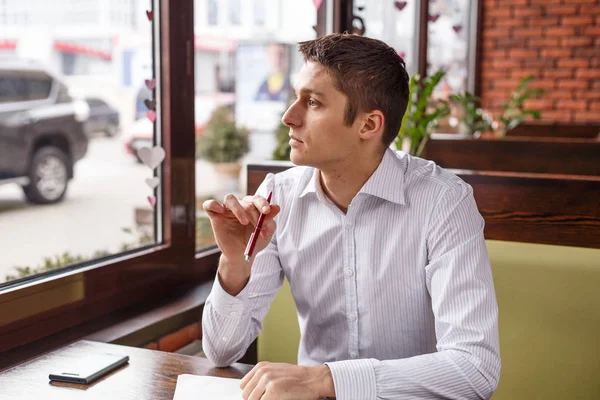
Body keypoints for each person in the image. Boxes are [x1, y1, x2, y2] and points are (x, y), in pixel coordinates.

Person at [202, 33, 500, 400]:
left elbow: (474, 369)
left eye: (312, 103)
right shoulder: (277, 196)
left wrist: (327, 380)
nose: (288, 117)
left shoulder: (443, 201)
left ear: (369, 125)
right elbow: (221, 351)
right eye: (295, 97)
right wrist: (235, 263)